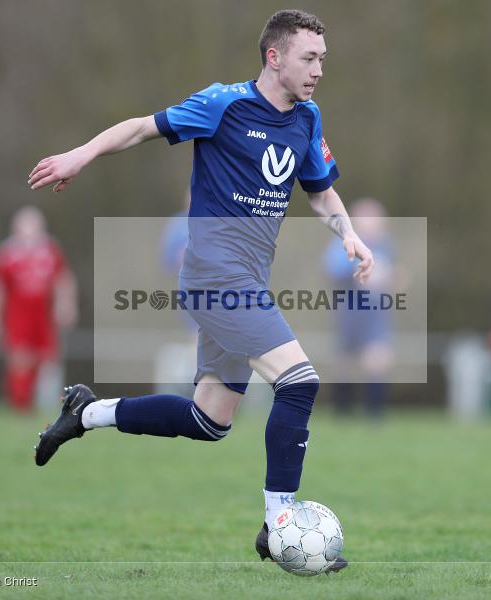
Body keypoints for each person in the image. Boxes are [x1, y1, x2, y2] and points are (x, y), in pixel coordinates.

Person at [27, 10, 372, 572]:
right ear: (274, 57)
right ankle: (280, 524)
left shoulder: (307, 119)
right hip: (215, 275)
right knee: (300, 382)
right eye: (309, 58)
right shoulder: (223, 104)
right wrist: (80, 155)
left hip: (247, 280)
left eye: (322, 60)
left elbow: (321, 192)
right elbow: (141, 126)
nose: (317, 71)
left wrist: (349, 232)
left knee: (209, 420)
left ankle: (86, 412)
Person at [0, 206, 78, 413]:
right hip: (18, 317)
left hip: (43, 317)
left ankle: (50, 406)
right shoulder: (6, 254)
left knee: (49, 361)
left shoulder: (50, 250)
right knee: (21, 362)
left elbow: (63, 280)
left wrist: (66, 305)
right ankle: (21, 406)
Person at [324, 198, 396, 418]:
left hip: (376, 314)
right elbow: (332, 269)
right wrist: (356, 270)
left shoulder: (386, 245)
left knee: (377, 359)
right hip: (349, 310)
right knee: (345, 361)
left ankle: (374, 416)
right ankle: (342, 414)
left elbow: (392, 274)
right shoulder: (342, 244)